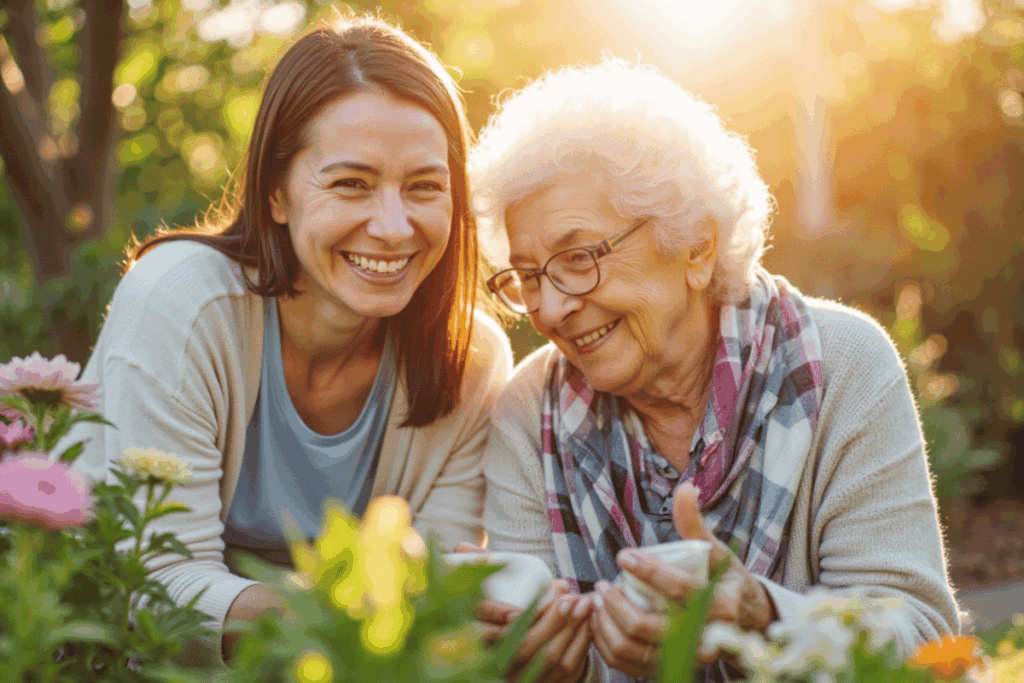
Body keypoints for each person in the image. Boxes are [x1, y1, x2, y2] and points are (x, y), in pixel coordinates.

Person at [467, 59, 959, 682]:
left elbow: (920, 634)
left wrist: (761, 617)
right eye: (530, 276)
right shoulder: (528, 410)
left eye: (578, 257)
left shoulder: (841, 364)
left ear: (696, 247)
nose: (552, 308)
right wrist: (533, 660)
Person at [61, 14, 511, 658]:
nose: (393, 226)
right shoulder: (183, 303)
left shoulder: (470, 360)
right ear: (276, 193)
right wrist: (355, 608)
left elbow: (433, 607)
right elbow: (150, 589)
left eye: (425, 187)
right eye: (351, 183)